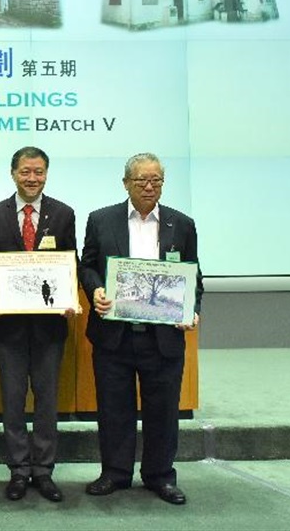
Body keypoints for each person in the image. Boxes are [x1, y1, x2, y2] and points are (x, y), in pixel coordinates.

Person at [80, 152, 202, 505]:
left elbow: (194, 276)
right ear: (126, 183)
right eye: (141, 181)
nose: (149, 187)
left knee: (163, 410)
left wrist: (191, 309)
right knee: (113, 407)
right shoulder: (102, 220)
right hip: (114, 335)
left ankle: (160, 476)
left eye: (157, 181)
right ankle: (115, 473)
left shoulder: (181, 224)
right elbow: (87, 266)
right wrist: (96, 289)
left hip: (163, 337)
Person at [0, 147, 76, 503]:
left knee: (47, 400)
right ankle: (19, 470)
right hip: (7, 327)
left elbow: (71, 261)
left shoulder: (63, 214)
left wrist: (70, 298)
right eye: (25, 172)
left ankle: (44, 471)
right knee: (12, 399)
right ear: (13, 174)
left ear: (46, 174)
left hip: (49, 327)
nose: (32, 178)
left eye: (38, 172)